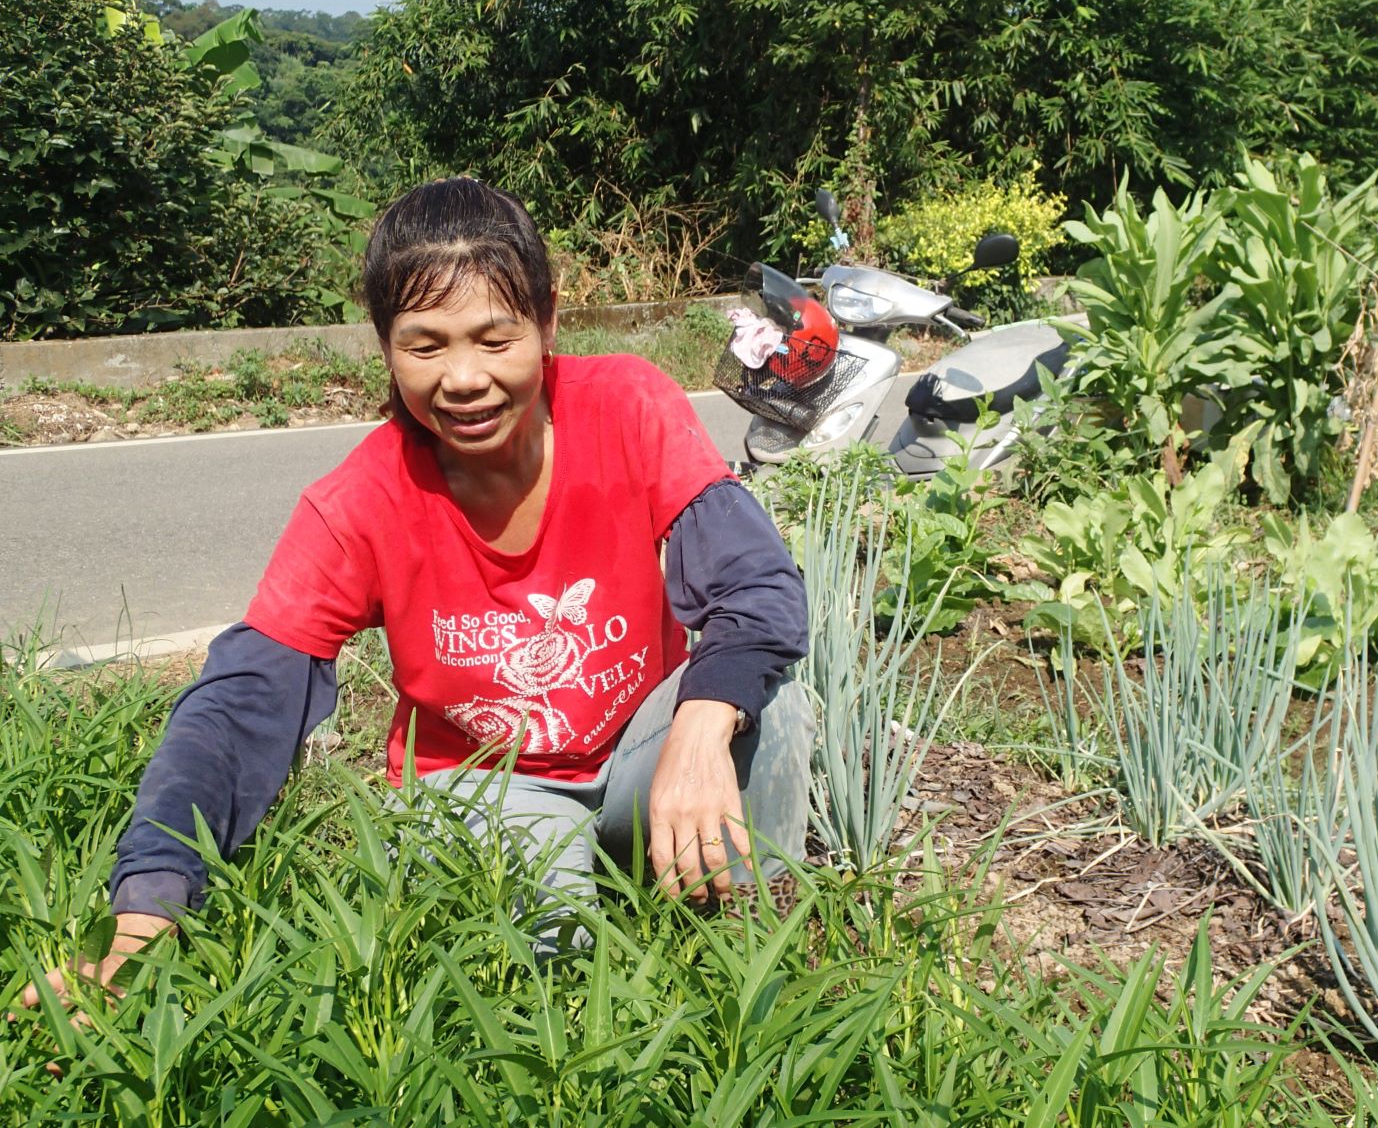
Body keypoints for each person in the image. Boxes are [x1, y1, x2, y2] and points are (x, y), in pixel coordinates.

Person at [20, 177, 814, 1007]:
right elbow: (238, 704)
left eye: (495, 339)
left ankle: (744, 965)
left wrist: (696, 729)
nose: (463, 378)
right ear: (385, 347)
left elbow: (755, 581)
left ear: (546, 323)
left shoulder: (624, 404)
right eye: (424, 346)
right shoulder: (358, 504)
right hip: (485, 788)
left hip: (637, 763)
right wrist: (147, 910)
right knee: (555, 945)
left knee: (770, 702)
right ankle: (584, 964)